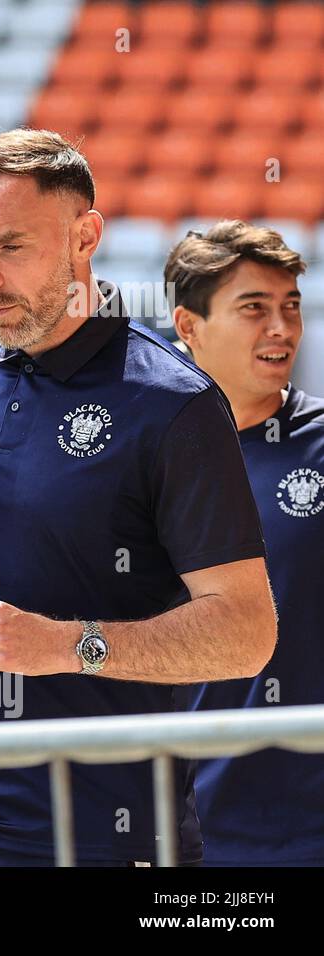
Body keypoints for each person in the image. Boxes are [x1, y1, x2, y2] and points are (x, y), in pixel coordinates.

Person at [0, 128, 278, 867]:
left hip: (101, 836)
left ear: (85, 236)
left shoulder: (172, 405)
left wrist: (60, 645)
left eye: (11, 246)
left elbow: (247, 634)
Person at [166, 221, 324, 866]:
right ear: (189, 326)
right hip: (178, 830)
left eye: (291, 308)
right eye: (254, 309)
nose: (281, 328)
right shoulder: (140, 459)